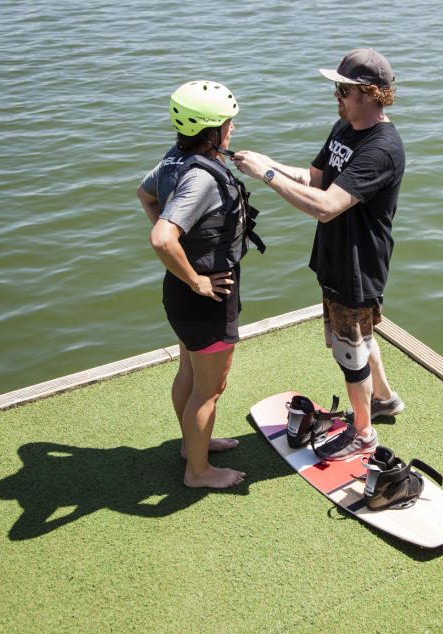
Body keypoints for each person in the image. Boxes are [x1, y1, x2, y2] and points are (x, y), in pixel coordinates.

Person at [232, 48, 405, 461]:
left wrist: (267, 176)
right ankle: (382, 399)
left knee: (350, 351)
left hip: (357, 266)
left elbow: (326, 205)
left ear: (368, 93)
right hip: (334, 258)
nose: (335, 95)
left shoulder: (382, 147)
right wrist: (269, 162)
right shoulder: (344, 128)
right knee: (360, 335)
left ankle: (363, 436)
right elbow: (316, 179)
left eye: (342, 89)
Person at [137, 80, 264, 488]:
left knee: (189, 375)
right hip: (206, 294)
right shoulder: (202, 179)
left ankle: (192, 447)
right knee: (210, 389)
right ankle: (198, 472)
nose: (232, 130)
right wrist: (197, 280)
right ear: (212, 131)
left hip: (179, 292)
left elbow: (145, 195)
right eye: (228, 124)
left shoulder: (175, 160)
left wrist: (184, 271)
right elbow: (161, 236)